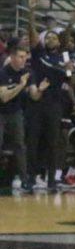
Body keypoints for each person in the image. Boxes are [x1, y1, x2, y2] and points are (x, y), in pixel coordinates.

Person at [25, 0, 74, 191]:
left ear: (59, 41)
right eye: (48, 36)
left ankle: (52, 180)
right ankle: (30, 178)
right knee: (33, 141)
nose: (50, 38)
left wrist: (69, 71)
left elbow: (69, 80)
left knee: (53, 143)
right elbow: (32, 35)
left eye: (54, 36)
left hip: (55, 104)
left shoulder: (64, 57)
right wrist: (31, 12)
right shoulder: (39, 54)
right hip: (37, 103)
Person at [0, 47, 34, 191]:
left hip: (16, 113)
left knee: (20, 146)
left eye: (25, 57)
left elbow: (34, 95)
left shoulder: (27, 73)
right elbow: (4, 97)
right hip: (1, 112)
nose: (24, 60)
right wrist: (21, 85)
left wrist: (40, 89)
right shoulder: (2, 72)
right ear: (12, 57)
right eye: (21, 57)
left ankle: (24, 180)